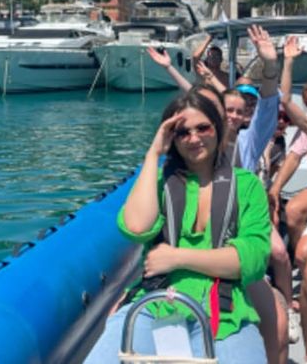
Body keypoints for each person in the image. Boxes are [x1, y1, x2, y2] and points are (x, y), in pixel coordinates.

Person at [85, 91, 270, 363]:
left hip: (223, 309)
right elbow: (136, 227)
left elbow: (252, 259)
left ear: (217, 129)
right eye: (183, 132)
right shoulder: (158, 182)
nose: (194, 138)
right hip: (154, 305)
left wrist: (175, 257)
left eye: (202, 128)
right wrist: (153, 153)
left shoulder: (246, 185)